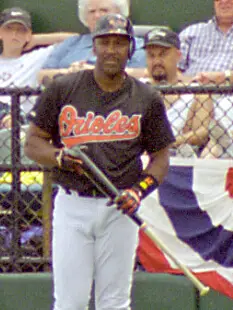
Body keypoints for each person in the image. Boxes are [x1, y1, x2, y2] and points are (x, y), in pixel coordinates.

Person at [24, 13, 175, 310]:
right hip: (72, 205)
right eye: (104, 42)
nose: (111, 50)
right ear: (93, 46)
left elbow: (161, 158)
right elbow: (32, 143)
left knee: (115, 302)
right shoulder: (64, 87)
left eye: (119, 43)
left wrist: (139, 191)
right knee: (71, 302)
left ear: (130, 49)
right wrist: (58, 157)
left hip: (119, 206)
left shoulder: (146, 98)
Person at [38, 0, 147, 85]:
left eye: (104, 10)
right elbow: (42, 75)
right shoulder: (71, 43)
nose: (97, 16)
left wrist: (93, 72)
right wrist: (71, 73)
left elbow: (144, 74)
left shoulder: (134, 44)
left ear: (120, 13)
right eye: (92, 11)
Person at [143, 27, 213, 157]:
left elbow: (202, 133)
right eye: (151, 55)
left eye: (163, 54)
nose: (157, 61)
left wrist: (165, 144)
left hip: (179, 157)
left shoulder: (196, 92)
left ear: (178, 56)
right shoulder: (136, 88)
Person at [0, 7, 77, 118]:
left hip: (20, 121)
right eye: (9, 29)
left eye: (21, 30)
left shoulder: (36, 57)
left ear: (28, 34)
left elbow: (75, 39)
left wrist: (36, 39)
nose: (14, 34)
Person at [178, 0, 233, 83]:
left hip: (228, 92)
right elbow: (170, 69)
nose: (224, 1)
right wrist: (192, 85)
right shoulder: (191, 32)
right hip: (188, 92)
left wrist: (224, 76)